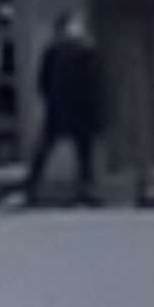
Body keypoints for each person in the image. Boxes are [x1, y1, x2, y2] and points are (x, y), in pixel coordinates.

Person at [24, 12, 107, 207]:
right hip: (76, 108)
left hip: (64, 107)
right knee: (78, 151)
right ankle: (84, 188)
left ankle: (33, 186)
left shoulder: (62, 52)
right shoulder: (82, 52)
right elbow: (94, 83)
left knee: (57, 148)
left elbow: (43, 82)